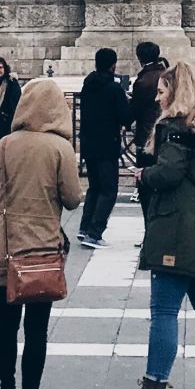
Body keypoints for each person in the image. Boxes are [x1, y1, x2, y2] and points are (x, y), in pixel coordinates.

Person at [111, 62, 195, 389]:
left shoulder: (173, 127)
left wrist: (143, 173)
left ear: (176, 92)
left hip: (178, 229)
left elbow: (169, 174)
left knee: (164, 311)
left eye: (162, 90)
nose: (157, 96)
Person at [0, 76, 81, 389]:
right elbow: (72, 199)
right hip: (42, 248)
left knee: (6, 323)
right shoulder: (60, 149)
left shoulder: (5, 144)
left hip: (7, 247)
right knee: (36, 331)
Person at [78, 47, 130, 249]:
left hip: (89, 143)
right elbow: (124, 117)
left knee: (95, 187)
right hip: (107, 143)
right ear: (113, 65)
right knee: (109, 190)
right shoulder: (114, 88)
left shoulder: (88, 84)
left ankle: (84, 228)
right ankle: (94, 232)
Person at [129, 42, 167, 162]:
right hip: (165, 128)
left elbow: (136, 108)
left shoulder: (143, 80)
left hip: (147, 130)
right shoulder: (166, 74)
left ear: (139, 57)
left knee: (145, 168)